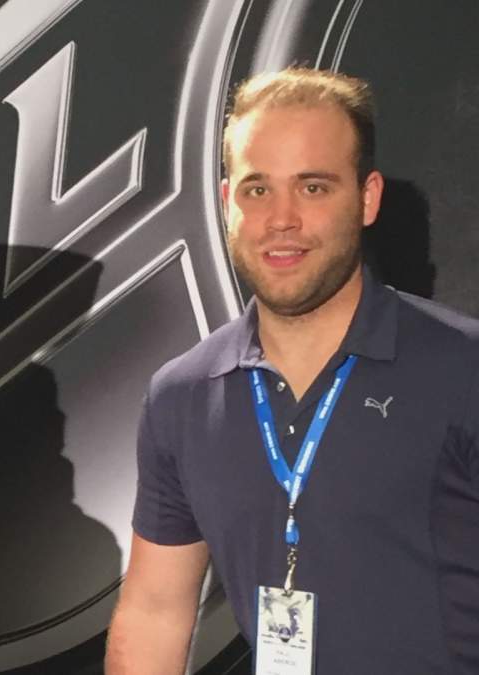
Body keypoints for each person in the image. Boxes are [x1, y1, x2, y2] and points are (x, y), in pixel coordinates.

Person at [106, 67, 479, 673]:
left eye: (313, 187)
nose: (281, 219)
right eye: (258, 189)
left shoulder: (463, 369)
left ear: (367, 198)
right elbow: (155, 610)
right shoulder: (181, 396)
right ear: (228, 202)